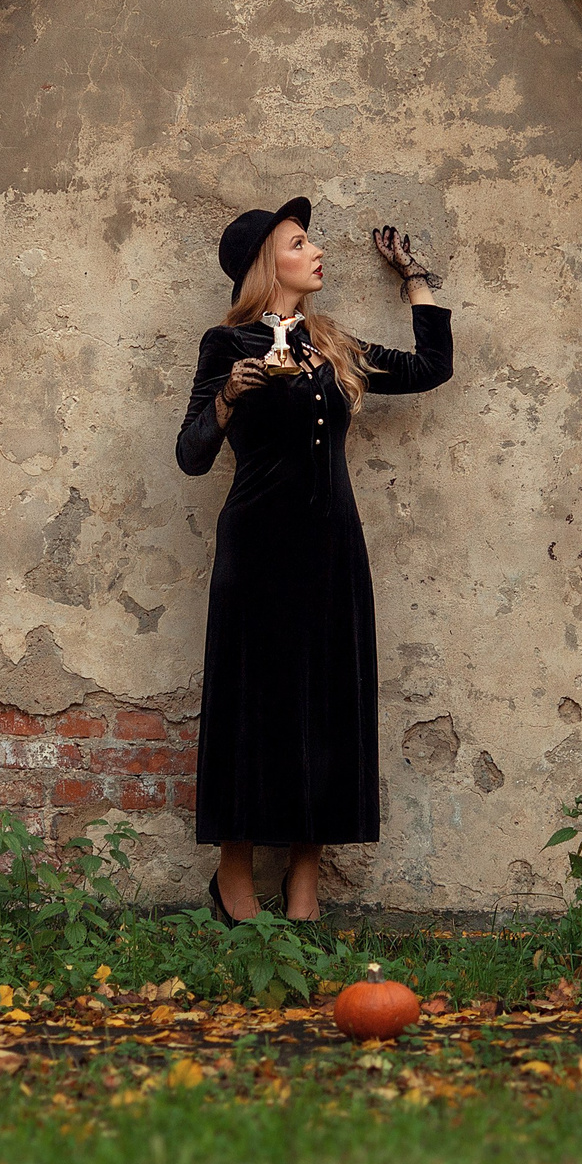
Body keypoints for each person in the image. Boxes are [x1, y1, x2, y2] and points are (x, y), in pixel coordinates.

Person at [174, 197, 453, 923]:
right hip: (258, 550)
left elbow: (430, 367)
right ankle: (232, 878)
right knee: (251, 706)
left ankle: (305, 885)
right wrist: (230, 399)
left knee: (325, 708)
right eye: (302, 243)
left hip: (333, 548)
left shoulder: (330, 342)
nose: (317, 251)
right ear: (271, 262)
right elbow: (191, 455)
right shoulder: (225, 346)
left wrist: (416, 280)